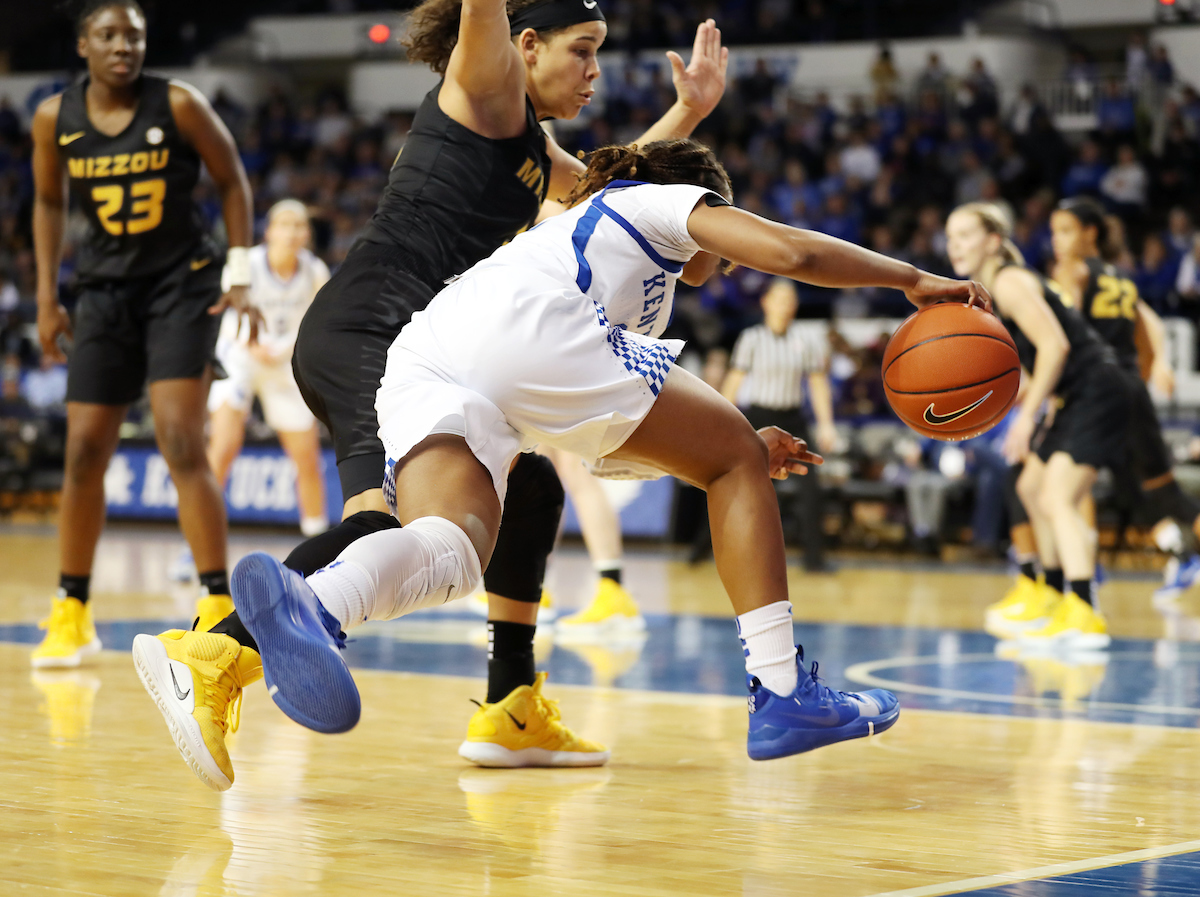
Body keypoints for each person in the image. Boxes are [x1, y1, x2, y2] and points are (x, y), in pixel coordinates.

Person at [212, 139, 992, 768]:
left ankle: (319, 604)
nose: (716, 258)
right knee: (731, 460)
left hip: (431, 348)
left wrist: (731, 447)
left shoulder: (595, 259)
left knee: (453, 549)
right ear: (705, 198)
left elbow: (604, 440)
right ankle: (783, 690)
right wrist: (913, 279)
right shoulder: (658, 203)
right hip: (523, 329)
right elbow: (790, 253)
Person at [133, 0, 729, 791]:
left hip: (418, 343)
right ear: (523, 44)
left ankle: (510, 706)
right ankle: (206, 655)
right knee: (379, 523)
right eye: (582, 50)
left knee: (531, 488)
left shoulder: (530, 146)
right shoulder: (485, 87)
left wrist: (687, 109)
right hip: (369, 332)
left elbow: (608, 198)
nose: (594, 71)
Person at [32, 0, 255, 668]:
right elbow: (46, 202)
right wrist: (47, 294)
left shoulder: (178, 104)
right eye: (108, 34)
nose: (122, 45)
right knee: (82, 452)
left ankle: (216, 603)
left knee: (183, 439)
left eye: (133, 34)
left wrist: (238, 271)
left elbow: (233, 179)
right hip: (102, 292)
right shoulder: (54, 119)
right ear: (83, 46)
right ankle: (72, 608)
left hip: (181, 284)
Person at [946, 203, 1127, 647]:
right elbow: (1032, 366)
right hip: (1076, 392)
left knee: (1057, 495)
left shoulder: (1008, 281)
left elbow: (1056, 346)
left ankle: (1085, 610)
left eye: (966, 235)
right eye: (950, 238)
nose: (955, 246)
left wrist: (1025, 418)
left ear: (993, 240)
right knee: (1030, 487)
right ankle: (1051, 595)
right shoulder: (1000, 285)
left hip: (1098, 388)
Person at [1050, 197, 1200, 603]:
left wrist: (1052, 393)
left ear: (1089, 233)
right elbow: (1149, 320)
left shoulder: (1074, 272)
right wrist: (1162, 362)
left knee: (1070, 482)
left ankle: (1083, 573)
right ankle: (1173, 554)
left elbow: (1066, 336)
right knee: (1132, 486)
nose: (1056, 242)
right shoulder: (1120, 276)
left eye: (1064, 231)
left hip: (1100, 390)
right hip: (1129, 386)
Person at [204, 200, 329, 537]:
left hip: (284, 362)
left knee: (307, 459)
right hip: (242, 355)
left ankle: (317, 542)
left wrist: (284, 349)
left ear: (306, 235)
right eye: (284, 224)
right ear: (269, 231)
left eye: (299, 225)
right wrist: (255, 345)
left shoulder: (315, 270)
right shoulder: (246, 266)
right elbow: (227, 313)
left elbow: (317, 323)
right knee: (224, 446)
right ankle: (197, 546)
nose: (291, 232)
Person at [721, 277, 835, 571]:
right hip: (759, 417)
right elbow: (734, 380)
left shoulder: (807, 340)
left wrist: (826, 424)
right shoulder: (751, 338)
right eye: (780, 299)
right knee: (736, 484)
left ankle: (814, 561)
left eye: (790, 300)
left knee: (811, 488)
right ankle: (705, 549)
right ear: (766, 302)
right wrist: (719, 418)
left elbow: (818, 383)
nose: (786, 306)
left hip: (793, 419)